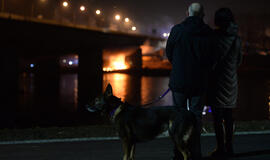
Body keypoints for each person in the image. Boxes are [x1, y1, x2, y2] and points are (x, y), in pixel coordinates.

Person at [166, 3, 214, 160]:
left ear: (187, 13)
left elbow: (169, 53)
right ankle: (196, 152)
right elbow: (212, 58)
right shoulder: (208, 32)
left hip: (179, 81)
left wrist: (179, 67)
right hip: (199, 82)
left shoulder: (177, 30)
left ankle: (178, 153)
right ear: (203, 15)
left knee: (178, 117)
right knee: (196, 117)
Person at [207, 8, 242, 158]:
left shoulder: (214, 38)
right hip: (231, 82)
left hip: (217, 82)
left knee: (217, 118)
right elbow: (239, 61)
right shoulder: (237, 39)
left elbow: (210, 60)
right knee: (229, 116)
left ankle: (220, 148)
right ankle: (230, 147)